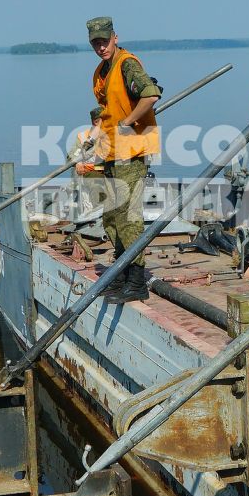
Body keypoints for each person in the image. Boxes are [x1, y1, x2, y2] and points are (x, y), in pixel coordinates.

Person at [85, 16, 161, 303]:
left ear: (115, 37)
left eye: (105, 40)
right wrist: (93, 137)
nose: (101, 46)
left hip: (131, 153)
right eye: (95, 43)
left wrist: (129, 120)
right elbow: (107, 111)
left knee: (129, 217)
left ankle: (137, 281)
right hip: (110, 153)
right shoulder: (100, 72)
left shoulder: (127, 64)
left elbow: (150, 95)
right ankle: (120, 273)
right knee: (112, 216)